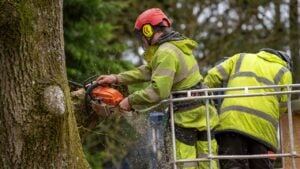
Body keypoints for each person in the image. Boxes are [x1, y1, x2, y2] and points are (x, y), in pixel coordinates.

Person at [97, 8, 219, 169]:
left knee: (185, 163)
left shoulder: (165, 52)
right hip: (203, 111)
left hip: (187, 117)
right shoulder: (176, 47)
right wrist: (117, 78)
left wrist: (130, 101)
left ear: (147, 30)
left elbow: (158, 91)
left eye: (142, 35)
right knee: (207, 162)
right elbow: (149, 70)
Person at [204, 48, 293, 169]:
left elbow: (212, 77)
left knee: (232, 166)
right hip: (262, 131)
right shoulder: (284, 72)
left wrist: (203, 100)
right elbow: (282, 106)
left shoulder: (240, 57)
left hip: (231, 124)